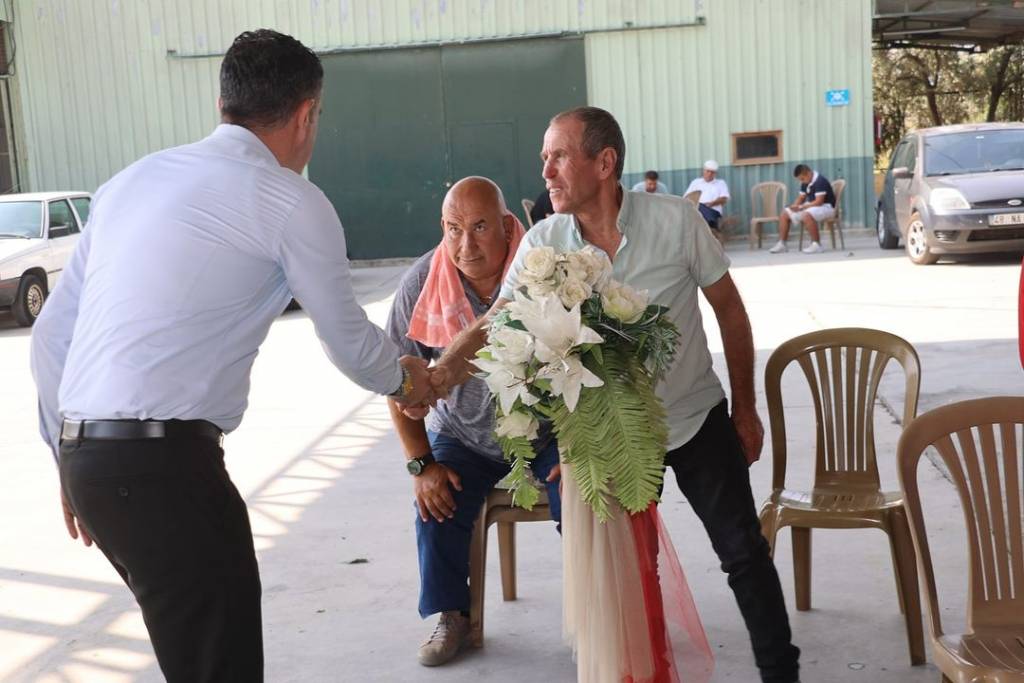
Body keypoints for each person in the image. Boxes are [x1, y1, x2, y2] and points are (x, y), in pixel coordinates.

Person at [29, 30, 439, 683]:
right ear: (306, 114)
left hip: (92, 462)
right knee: (220, 664)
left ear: (223, 101)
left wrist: (66, 454)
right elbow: (343, 335)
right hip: (164, 470)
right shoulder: (290, 200)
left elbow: (51, 338)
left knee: (200, 654)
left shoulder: (128, 183)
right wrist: (405, 377)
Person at [424, 107, 801, 683]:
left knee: (743, 553)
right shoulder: (546, 241)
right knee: (632, 568)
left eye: (558, 156)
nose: (545, 170)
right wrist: (443, 372)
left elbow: (730, 311)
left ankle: (782, 672)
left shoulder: (677, 221)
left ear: (605, 163)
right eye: (543, 157)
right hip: (612, 433)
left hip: (696, 419)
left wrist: (745, 409)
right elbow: (501, 319)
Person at [385, 176, 562, 667]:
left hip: (549, 431)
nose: (466, 244)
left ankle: (599, 610)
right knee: (435, 499)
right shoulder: (420, 285)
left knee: (586, 492)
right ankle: (452, 615)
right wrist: (421, 465)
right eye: (453, 228)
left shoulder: (545, 271)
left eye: (480, 227)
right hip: (464, 435)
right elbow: (394, 386)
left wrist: (577, 446)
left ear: (508, 226)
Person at [769, 164, 836, 254]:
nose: (801, 181)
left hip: (826, 207)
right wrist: (795, 206)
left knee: (806, 215)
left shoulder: (820, 181)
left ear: (808, 173)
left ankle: (817, 245)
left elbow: (819, 202)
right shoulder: (806, 182)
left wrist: (802, 207)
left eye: (802, 179)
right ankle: (782, 244)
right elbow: (801, 197)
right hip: (813, 206)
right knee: (785, 213)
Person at [685, 159, 730, 230]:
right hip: (696, 210)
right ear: (703, 171)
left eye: (712, 172)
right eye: (707, 171)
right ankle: (711, 224)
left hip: (713, 211)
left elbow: (724, 199)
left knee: (701, 209)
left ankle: (709, 222)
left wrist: (711, 204)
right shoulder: (696, 182)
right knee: (699, 207)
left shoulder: (720, 183)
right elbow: (687, 197)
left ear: (715, 174)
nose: (709, 174)